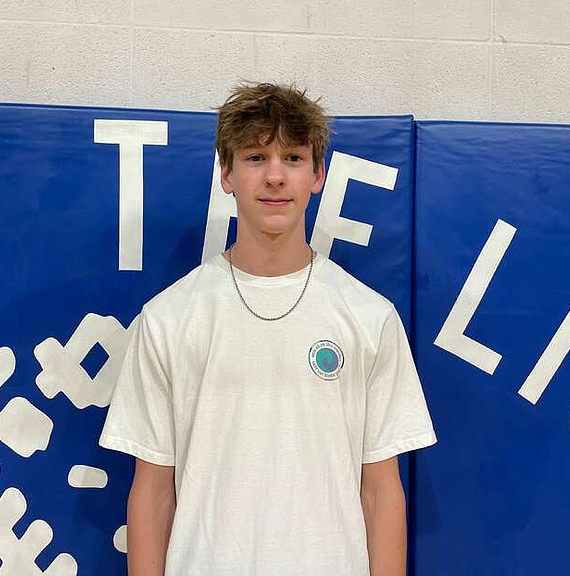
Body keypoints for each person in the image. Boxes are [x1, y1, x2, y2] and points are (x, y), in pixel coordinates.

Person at [100, 83, 436, 575]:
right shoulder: (169, 318)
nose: (275, 176)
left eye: (294, 158)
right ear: (227, 174)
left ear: (317, 175)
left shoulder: (369, 317)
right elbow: (151, 492)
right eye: (256, 157)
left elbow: (382, 489)